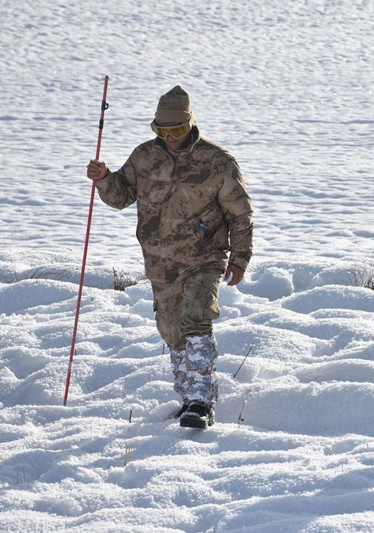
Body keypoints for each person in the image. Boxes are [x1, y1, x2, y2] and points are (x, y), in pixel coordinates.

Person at [87, 86, 253, 429]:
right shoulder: (145, 157)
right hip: (160, 261)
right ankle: (186, 396)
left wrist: (239, 258)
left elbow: (240, 214)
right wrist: (104, 180)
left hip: (204, 257)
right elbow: (121, 197)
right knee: (172, 331)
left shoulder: (217, 162)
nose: (169, 137)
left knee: (197, 319)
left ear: (189, 124)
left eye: (175, 131)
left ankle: (201, 402)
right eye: (161, 131)